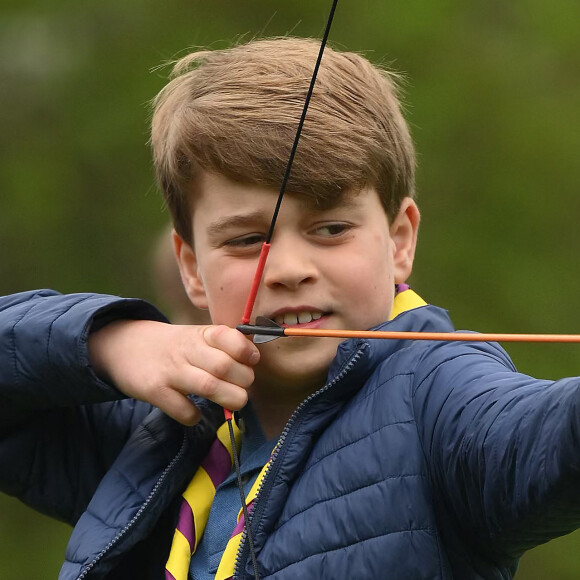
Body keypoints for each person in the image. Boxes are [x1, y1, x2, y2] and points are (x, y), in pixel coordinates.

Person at [1, 37, 579, 580]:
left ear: (400, 241)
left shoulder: (438, 393)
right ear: (190, 267)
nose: (287, 268)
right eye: (247, 240)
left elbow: (547, 436)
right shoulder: (157, 426)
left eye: (330, 228)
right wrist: (111, 343)